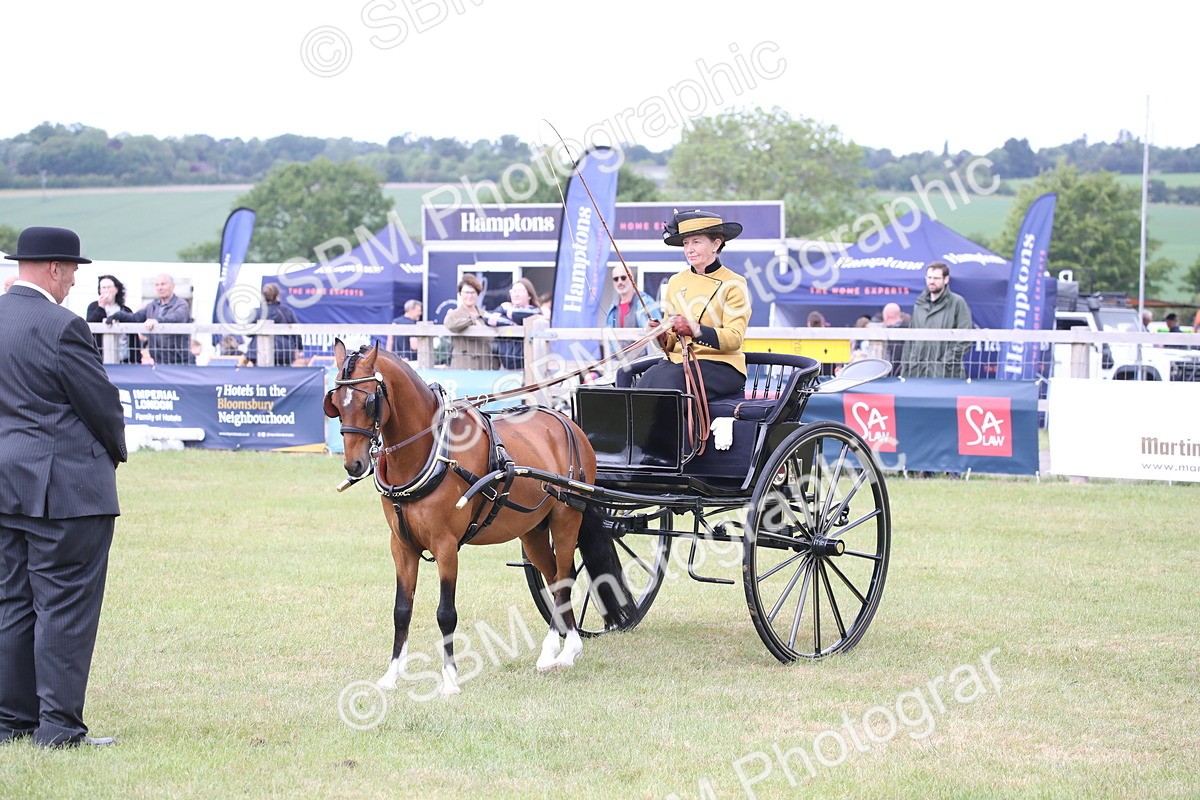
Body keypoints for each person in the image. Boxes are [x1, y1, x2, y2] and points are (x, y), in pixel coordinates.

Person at [0, 227, 126, 748]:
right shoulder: (62, 326)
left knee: (12, 603)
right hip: (66, 490)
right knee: (65, 608)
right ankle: (58, 729)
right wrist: (114, 451)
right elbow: (101, 405)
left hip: (6, 483)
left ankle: (11, 722)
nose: (75, 280)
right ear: (53, 267)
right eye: (73, 270)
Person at [639, 209, 750, 398]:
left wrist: (694, 329)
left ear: (716, 244)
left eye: (696, 242)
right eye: (685, 243)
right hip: (679, 363)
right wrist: (661, 335)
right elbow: (672, 342)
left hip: (720, 365)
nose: (689, 249)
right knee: (641, 379)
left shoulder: (734, 283)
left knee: (667, 381)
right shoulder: (676, 281)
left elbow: (734, 339)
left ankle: (677, 428)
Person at [900, 262, 973, 378]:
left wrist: (946, 362)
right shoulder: (919, 303)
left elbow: (965, 338)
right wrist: (907, 365)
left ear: (946, 279)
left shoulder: (957, 302)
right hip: (916, 372)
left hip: (945, 374)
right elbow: (911, 339)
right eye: (929, 277)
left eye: (936, 278)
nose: (932, 281)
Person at [106, 273, 193, 364]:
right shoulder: (152, 306)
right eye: (157, 285)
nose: (160, 288)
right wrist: (117, 315)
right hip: (158, 361)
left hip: (180, 361)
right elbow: (135, 318)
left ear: (172, 286)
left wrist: (157, 321)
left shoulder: (181, 304)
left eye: (163, 284)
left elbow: (177, 317)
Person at [443, 275, 498, 369]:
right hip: (463, 365)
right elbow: (449, 323)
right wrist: (471, 320)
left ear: (478, 294)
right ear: (460, 293)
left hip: (484, 363)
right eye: (466, 292)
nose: (469, 296)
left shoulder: (484, 314)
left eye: (473, 292)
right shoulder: (455, 314)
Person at [487, 278, 544, 369]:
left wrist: (506, 309)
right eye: (513, 291)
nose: (516, 294)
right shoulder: (505, 308)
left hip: (527, 366)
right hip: (504, 366)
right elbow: (489, 318)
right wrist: (511, 324)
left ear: (529, 295)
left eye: (520, 291)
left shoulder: (535, 311)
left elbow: (517, 315)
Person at [605, 265, 657, 361]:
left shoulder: (646, 303)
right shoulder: (613, 308)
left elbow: (659, 334)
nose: (620, 282)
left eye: (623, 277)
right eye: (616, 279)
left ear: (631, 278)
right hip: (620, 365)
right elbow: (611, 343)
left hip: (643, 364)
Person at [244, 284, 303, 366]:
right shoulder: (286, 312)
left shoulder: (257, 312)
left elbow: (248, 333)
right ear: (277, 296)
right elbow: (296, 333)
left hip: (257, 353)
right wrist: (299, 349)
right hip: (284, 354)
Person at [84, 275, 137, 363]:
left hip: (124, 358)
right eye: (103, 287)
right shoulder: (93, 307)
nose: (106, 290)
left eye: (109, 287)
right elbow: (90, 325)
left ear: (116, 289)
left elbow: (133, 335)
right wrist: (101, 306)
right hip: (99, 358)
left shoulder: (125, 310)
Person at [881, 302, 908, 377]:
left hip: (890, 373)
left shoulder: (884, 333)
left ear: (886, 315)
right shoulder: (909, 328)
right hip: (906, 372)